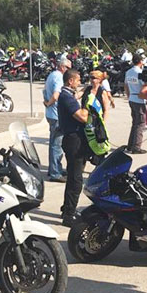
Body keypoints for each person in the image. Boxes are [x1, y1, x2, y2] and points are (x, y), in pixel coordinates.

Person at [58, 69, 89, 227]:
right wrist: (88, 106)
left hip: (72, 139)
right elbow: (82, 117)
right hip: (73, 140)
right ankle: (69, 215)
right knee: (76, 179)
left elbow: (75, 97)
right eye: (78, 80)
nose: (79, 82)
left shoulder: (67, 95)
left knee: (72, 177)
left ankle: (67, 208)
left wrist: (86, 90)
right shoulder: (66, 97)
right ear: (70, 81)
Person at [43, 58, 71, 182]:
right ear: (62, 67)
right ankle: (55, 173)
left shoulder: (52, 75)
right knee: (57, 145)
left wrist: (47, 103)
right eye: (68, 68)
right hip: (56, 115)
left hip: (51, 114)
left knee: (53, 143)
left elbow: (44, 91)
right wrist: (49, 103)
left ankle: (54, 168)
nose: (69, 71)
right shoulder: (59, 77)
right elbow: (56, 95)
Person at [124, 53, 147, 154]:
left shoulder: (128, 72)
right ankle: (136, 147)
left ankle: (130, 145)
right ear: (141, 61)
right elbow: (144, 86)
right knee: (141, 123)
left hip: (132, 98)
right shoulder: (140, 72)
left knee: (135, 123)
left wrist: (129, 96)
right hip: (139, 99)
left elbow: (126, 85)